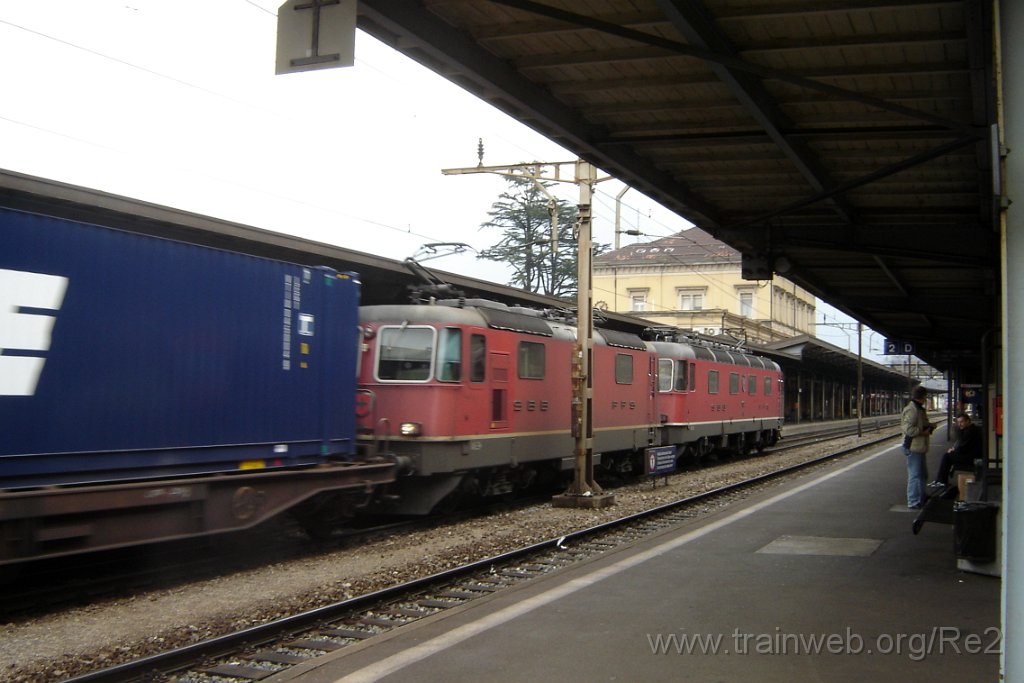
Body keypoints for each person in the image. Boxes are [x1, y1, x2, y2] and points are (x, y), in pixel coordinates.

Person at [900, 385, 935, 509]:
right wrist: (923, 432)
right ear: (923, 397)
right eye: (926, 396)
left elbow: (919, 424)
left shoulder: (919, 409)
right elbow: (909, 429)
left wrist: (929, 425)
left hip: (919, 447)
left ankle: (921, 497)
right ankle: (913, 500)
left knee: (922, 474)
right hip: (912, 447)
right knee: (915, 475)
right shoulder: (912, 410)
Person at [929, 413, 982, 488]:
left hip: (971, 458)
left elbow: (962, 447)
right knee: (948, 456)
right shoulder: (972, 429)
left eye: (962, 422)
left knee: (947, 457)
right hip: (973, 456)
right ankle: (941, 480)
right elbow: (963, 445)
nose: (960, 424)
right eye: (958, 422)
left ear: (968, 421)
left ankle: (941, 481)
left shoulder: (970, 431)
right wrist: (954, 449)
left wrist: (953, 451)